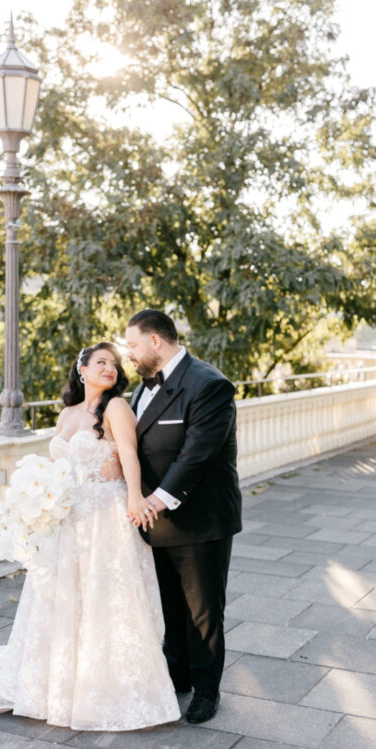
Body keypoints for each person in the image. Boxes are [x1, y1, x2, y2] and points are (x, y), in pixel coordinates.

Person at [0, 343, 180, 731]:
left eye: (115, 364)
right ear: (81, 370)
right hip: (70, 519)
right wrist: (38, 504)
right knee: (64, 598)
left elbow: (130, 456)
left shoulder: (116, 407)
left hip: (106, 515)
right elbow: (57, 469)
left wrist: (135, 497)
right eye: (101, 362)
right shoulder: (67, 414)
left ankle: (106, 685)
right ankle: (60, 682)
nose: (110, 368)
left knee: (106, 596)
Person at [124, 309, 242, 725]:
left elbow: (197, 454)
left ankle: (207, 691)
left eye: (133, 344)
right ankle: (178, 677)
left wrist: (154, 500)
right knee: (170, 608)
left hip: (199, 520)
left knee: (204, 613)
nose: (129, 354)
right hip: (152, 521)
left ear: (156, 341)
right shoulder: (140, 392)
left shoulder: (209, 384)